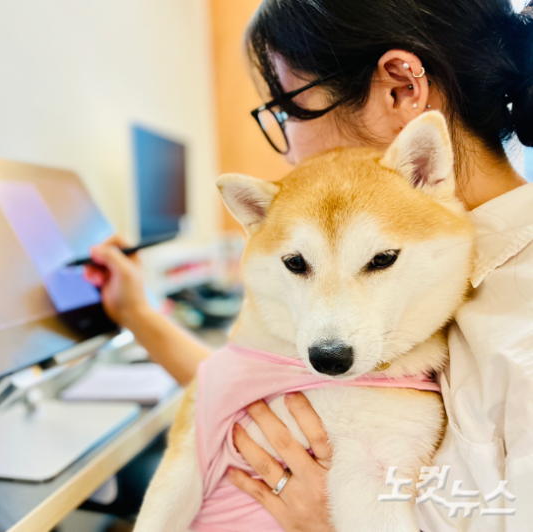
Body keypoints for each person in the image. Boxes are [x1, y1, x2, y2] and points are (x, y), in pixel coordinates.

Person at [84, 0, 533, 530]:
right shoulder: (448, 263)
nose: (288, 153)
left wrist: (323, 523)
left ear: (400, 89)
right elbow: (275, 393)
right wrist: (137, 313)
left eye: (287, 109)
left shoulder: (515, 319)